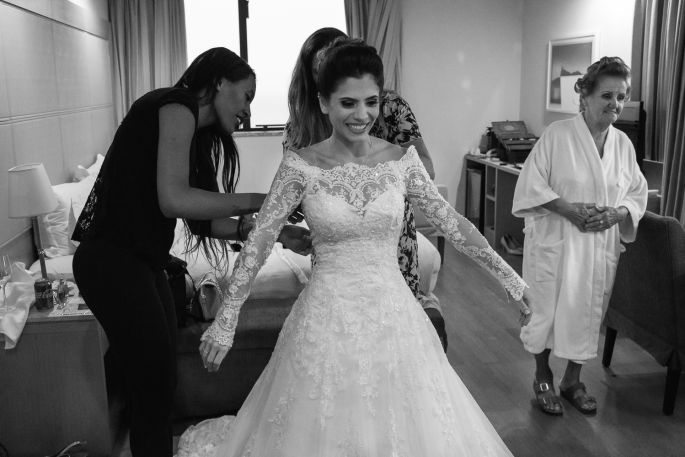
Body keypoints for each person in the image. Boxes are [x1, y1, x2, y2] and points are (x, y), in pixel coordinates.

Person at [178, 39, 532, 456]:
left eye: (371, 102)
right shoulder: (300, 164)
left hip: (394, 315)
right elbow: (260, 239)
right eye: (348, 103)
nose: (361, 115)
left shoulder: (402, 160)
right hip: (325, 318)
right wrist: (227, 317)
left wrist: (509, 277)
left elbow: (451, 223)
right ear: (324, 103)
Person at [71, 48, 309, 457]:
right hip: (110, 262)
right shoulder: (175, 105)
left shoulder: (196, 137)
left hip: (144, 264)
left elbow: (206, 222)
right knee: (153, 384)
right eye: (246, 96)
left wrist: (278, 232)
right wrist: (262, 198)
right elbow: (174, 200)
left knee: (160, 383)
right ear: (219, 82)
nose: (248, 111)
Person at [512, 56, 648, 416]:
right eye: (607, 95)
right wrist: (569, 210)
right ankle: (542, 375)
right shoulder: (557, 135)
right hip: (556, 241)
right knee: (545, 308)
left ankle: (572, 380)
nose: (615, 104)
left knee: (588, 311)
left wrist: (617, 214)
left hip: (598, 247)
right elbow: (530, 185)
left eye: (621, 97)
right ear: (584, 96)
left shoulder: (623, 145)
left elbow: (636, 193)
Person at [282, 28, 442, 319]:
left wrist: (376, 173)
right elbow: (294, 197)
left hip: (391, 245)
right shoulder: (299, 127)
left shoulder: (390, 107)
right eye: (322, 68)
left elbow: (426, 169)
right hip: (335, 255)